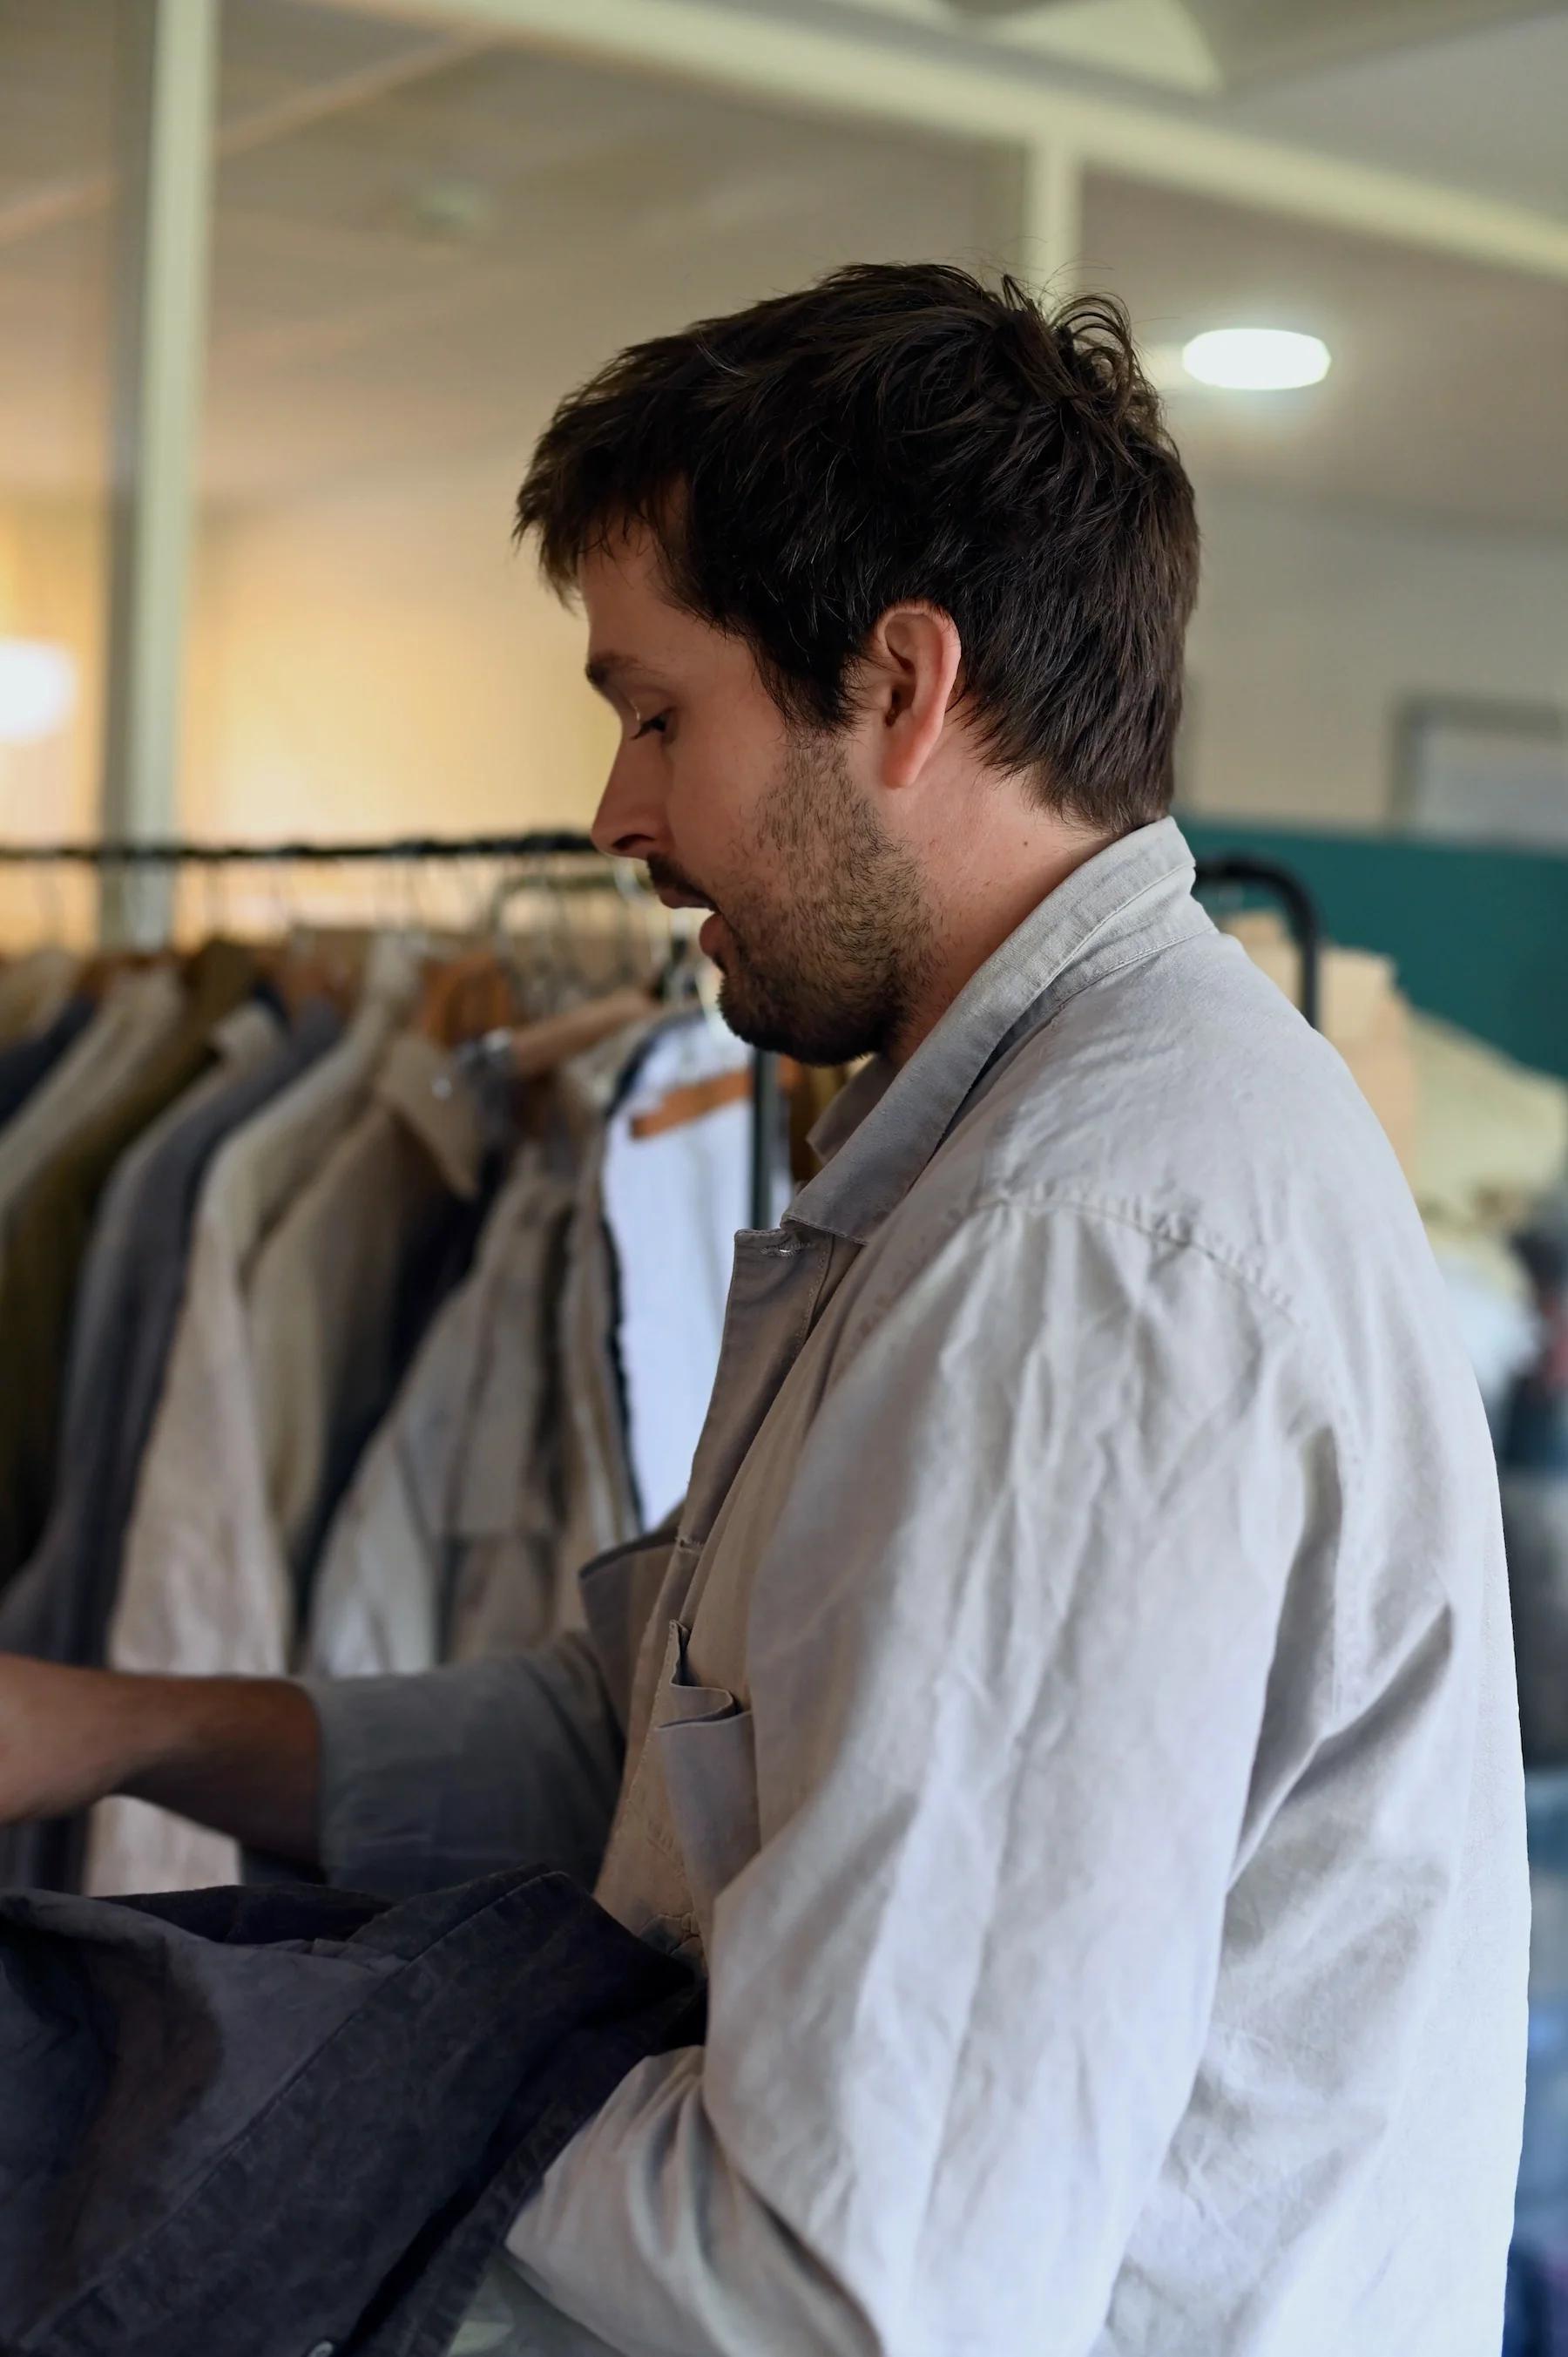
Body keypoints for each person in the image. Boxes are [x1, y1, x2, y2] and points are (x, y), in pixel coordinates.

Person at [0, 264, 1528, 2354]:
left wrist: (308, 2065)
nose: (619, 811)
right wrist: (97, 1731)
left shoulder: (1078, 1258)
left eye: (657, 712)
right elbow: (641, 1748)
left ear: (899, 686)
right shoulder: (980, 1156)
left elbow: (849, 2288)